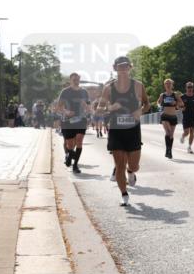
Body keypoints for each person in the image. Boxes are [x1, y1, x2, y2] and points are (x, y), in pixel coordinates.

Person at [99, 56, 149, 205]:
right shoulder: (108, 88)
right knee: (119, 165)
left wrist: (140, 111)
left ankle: (131, 171)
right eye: (120, 66)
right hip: (116, 130)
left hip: (133, 130)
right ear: (115, 68)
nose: (123, 69)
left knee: (134, 165)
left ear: (130, 68)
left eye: (125, 66)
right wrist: (110, 108)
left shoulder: (138, 85)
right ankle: (124, 194)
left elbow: (147, 104)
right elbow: (99, 109)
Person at [57, 73, 92, 174]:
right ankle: (68, 154)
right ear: (70, 80)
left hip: (81, 120)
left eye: (78, 79)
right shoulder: (65, 92)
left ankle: (75, 165)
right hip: (68, 121)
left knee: (79, 141)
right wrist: (66, 112)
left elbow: (89, 107)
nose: (76, 81)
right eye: (74, 79)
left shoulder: (84, 92)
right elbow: (59, 107)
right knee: (70, 144)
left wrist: (86, 106)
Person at [157, 78, 184, 158]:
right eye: (166, 83)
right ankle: (168, 150)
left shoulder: (175, 94)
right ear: (164, 85)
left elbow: (181, 103)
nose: (168, 85)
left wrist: (176, 102)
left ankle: (169, 151)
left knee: (171, 135)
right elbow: (158, 102)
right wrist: (159, 106)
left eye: (169, 83)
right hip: (165, 115)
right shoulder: (163, 95)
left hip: (173, 116)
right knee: (168, 132)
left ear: (172, 85)